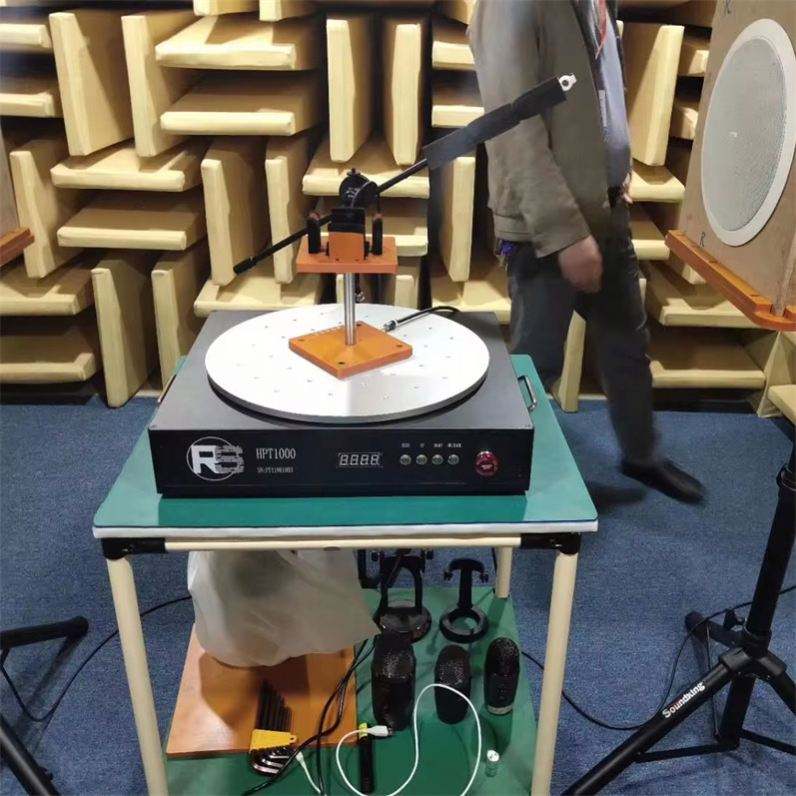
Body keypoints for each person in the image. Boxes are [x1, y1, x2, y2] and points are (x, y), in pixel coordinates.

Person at [469, 0, 704, 503]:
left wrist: (619, 170)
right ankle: (510, 481)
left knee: (627, 346)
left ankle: (641, 454)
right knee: (537, 364)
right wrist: (564, 233)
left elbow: (599, 90)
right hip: (548, 225)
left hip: (606, 206)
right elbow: (512, 128)